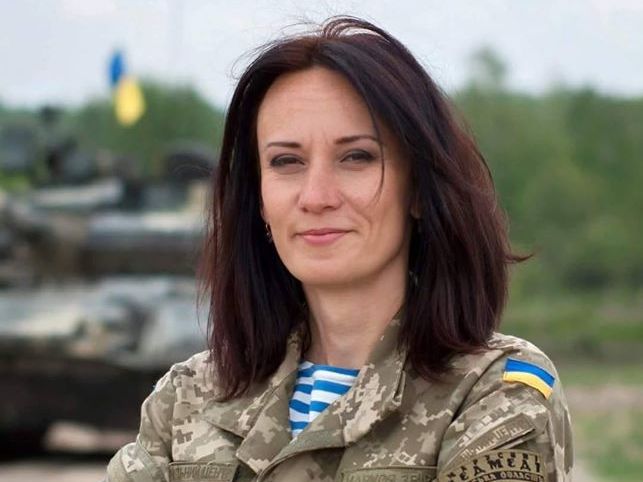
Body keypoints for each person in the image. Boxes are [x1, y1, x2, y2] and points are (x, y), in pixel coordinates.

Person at [105, 16, 573, 482]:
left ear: (418, 188)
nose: (316, 196)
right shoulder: (189, 398)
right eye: (286, 161)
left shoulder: (493, 393)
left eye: (356, 157)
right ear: (260, 199)